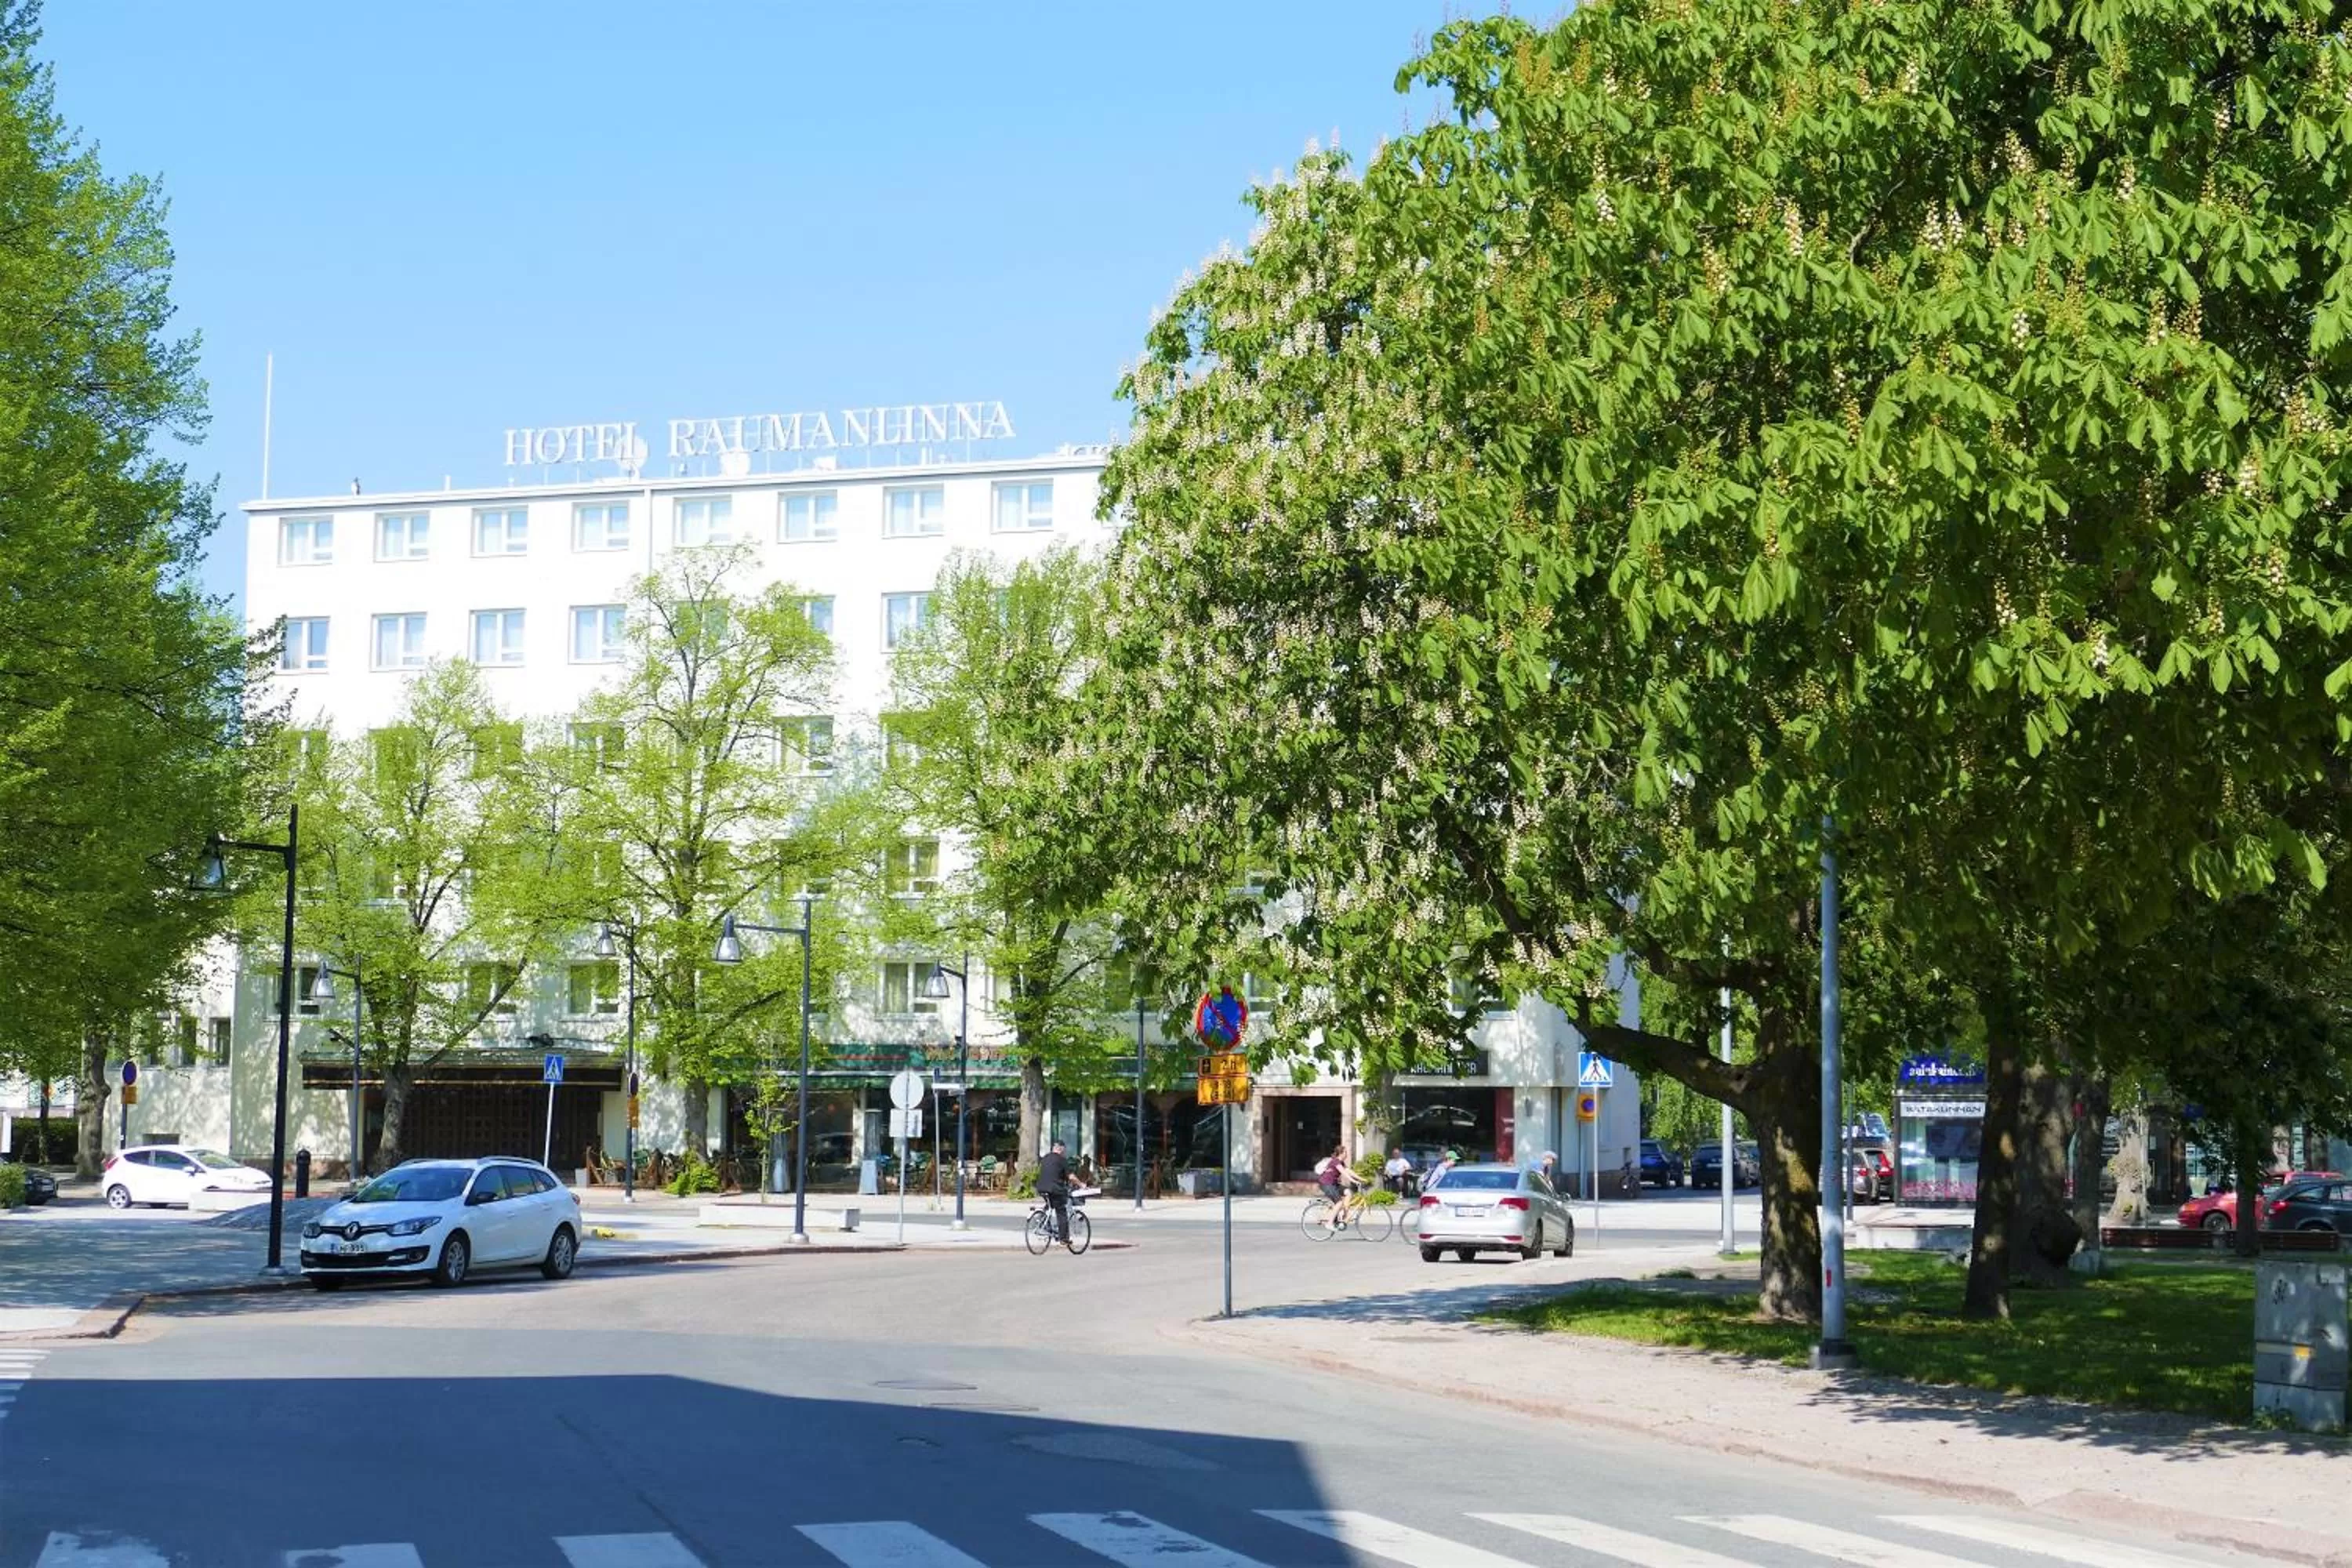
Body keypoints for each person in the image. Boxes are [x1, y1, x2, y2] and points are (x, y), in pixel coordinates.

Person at [1315, 1145, 1368, 1223]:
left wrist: (1361, 1179)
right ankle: (1329, 1223)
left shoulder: (1341, 1163)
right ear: (1341, 1153)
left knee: (1348, 1192)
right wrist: (1355, 1181)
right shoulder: (1335, 1161)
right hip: (1327, 1184)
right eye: (1346, 1152)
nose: (1347, 1154)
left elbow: (1349, 1171)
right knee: (1339, 1203)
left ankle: (1345, 1215)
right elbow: (1344, 1173)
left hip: (1334, 1184)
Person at [1036, 1138, 1073, 1242]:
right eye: (1064, 1150)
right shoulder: (1061, 1160)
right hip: (1054, 1189)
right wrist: (1081, 1184)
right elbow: (1070, 1176)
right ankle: (1064, 1238)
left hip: (1041, 1187)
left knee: (1049, 1205)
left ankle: (1044, 1223)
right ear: (1061, 1149)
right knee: (1061, 1211)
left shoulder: (1045, 1158)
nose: (1064, 1152)